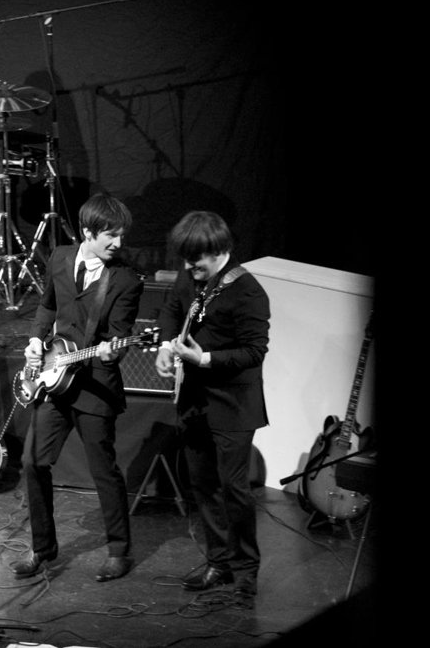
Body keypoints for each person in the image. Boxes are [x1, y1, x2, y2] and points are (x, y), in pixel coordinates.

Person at [11, 193, 143, 582]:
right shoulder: (59, 257)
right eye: (110, 235)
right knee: (33, 462)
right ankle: (42, 548)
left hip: (95, 385)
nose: (118, 243)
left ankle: (119, 551)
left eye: (121, 236)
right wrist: (36, 340)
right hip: (54, 377)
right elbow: (48, 306)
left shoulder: (125, 280)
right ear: (87, 232)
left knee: (103, 470)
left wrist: (111, 352)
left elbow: (120, 336)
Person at [155, 210, 270, 603]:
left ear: (220, 250)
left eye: (196, 261)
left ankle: (246, 571)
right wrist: (166, 346)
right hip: (194, 401)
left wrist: (203, 359)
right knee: (202, 485)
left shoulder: (249, 292)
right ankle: (218, 562)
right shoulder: (191, 274)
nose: (189, 269)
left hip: (233, 404)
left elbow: (254, 352)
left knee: (234, 488)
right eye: (186, 261)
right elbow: (172, 308)